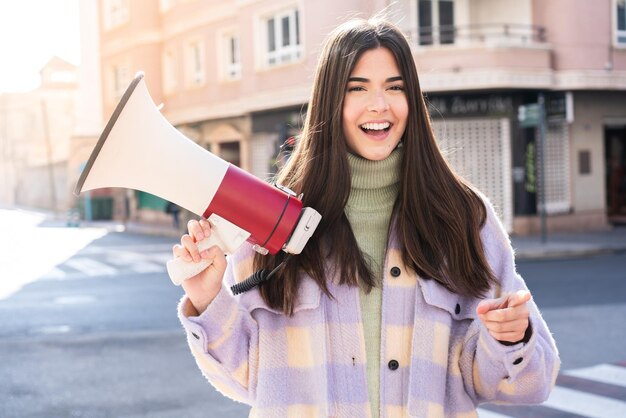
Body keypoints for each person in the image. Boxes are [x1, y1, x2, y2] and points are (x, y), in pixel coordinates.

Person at [172, 17, 560, 418]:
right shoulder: (275, 219)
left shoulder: (462, 216)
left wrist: (512, 338)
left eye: (395, 87)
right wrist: (207, 300)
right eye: (357, 88)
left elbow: (531, 382)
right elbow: (247, 379)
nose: (380, 105)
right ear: (330, 102)